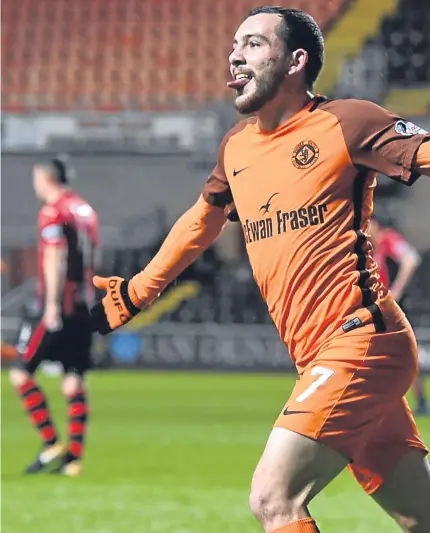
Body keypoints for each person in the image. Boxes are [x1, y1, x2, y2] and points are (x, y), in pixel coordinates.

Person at [90, 6, 430, 532]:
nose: (235, 53)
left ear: (295, 61)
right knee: (421, 516)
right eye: (234, 43)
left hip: (360, 341)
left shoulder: (346, 121)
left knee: (274, 500)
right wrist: (137, 291)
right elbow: (201, 222)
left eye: (252, 43)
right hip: (318, 354)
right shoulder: (237, 147)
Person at [9, 155, 99, 476]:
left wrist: (50, 306)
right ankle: (73, 460)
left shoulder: (53, 211)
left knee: (21, 373)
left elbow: (56, 256)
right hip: (84, 304)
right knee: (73, 379)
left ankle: (51, 443)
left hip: (59, 304)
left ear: (46, 178)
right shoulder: (84, 210)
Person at [369, 214, 428, 415]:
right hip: (380, 310)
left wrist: (396, 291)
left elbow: (411, 259)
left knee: (407, 355)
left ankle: (418, 400)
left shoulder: (387, 239)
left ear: (376, 225)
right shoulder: (368, 248)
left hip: (395, 310)